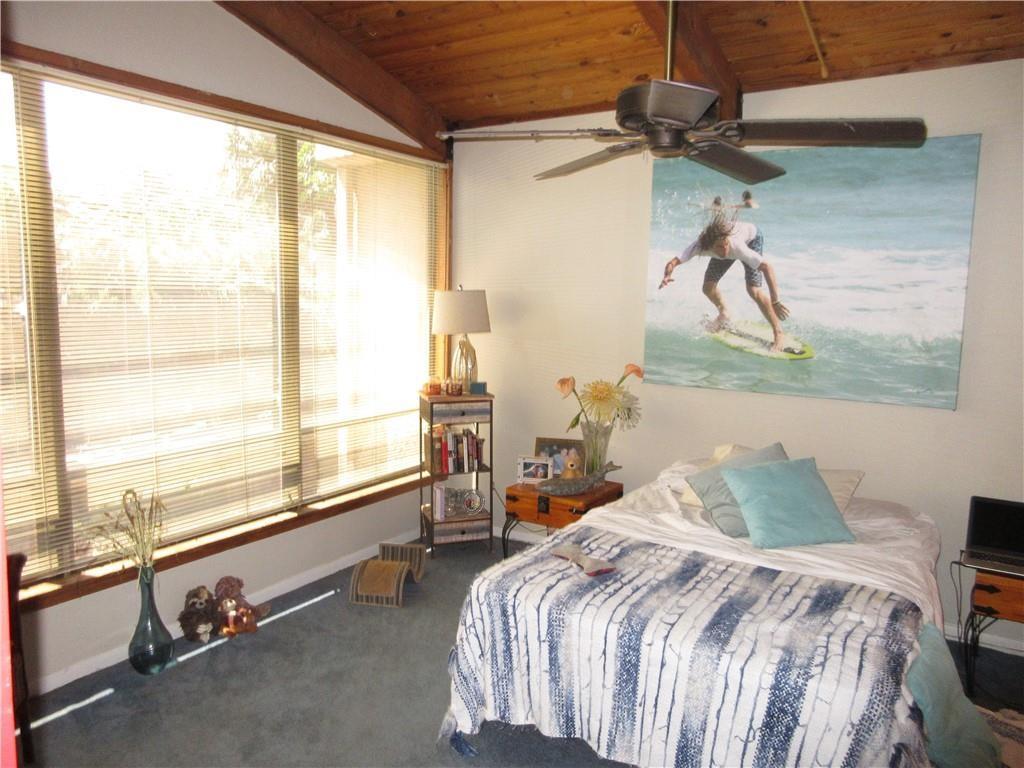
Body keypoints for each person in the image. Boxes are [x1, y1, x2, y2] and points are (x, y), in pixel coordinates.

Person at [658, 211, 790, 352]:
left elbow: (767, 267)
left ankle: (778, 333)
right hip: (722, 243)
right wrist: (667, 275)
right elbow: (673, 262)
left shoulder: (735, 246)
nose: (725, 250)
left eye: (725, 244)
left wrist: (775, 301)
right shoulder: (700, 246)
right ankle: (725, 314)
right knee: (708, 288)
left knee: (753, 290)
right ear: (710, 246)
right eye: (720, 247)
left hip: (752, 239)